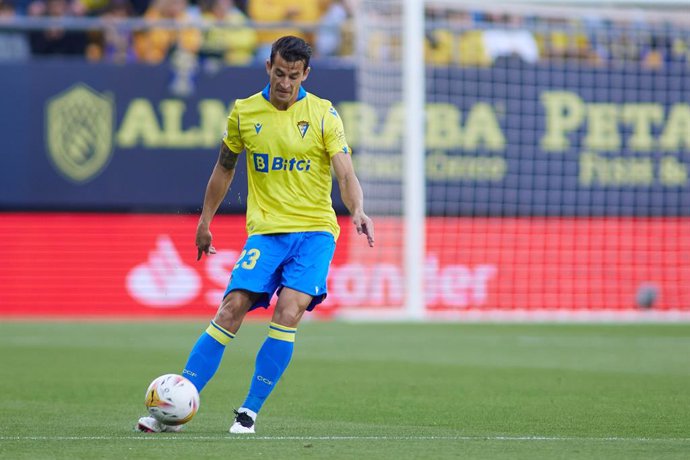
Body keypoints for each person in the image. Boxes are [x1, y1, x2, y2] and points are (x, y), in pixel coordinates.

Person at [136, 35, 375, 434]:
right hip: (265, 233)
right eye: (279, 73)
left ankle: (248, 411)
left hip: (315, 232)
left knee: (289, 311)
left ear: (306, 74)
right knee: (231, 309)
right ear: (268, 67)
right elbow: (224, 168)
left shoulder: (323, 114)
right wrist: (204, 221)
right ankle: (177, 405)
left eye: (294, 76)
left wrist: (358, 209)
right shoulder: (244, 113)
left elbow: (345, 171)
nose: (285, 83)